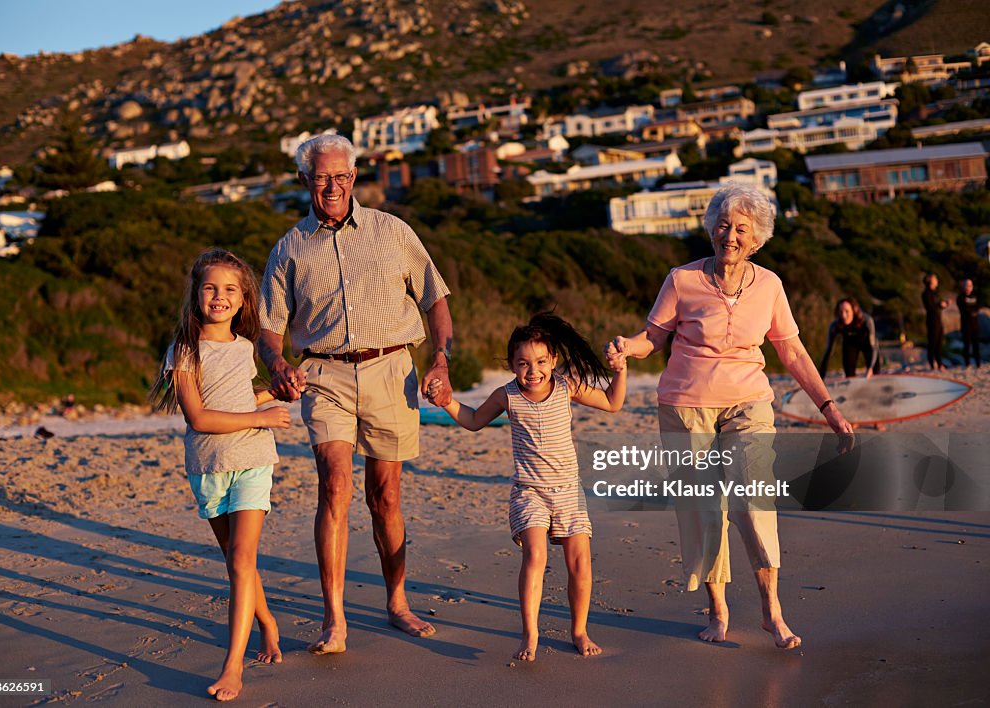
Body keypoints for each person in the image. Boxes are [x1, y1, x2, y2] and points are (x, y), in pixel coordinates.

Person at [606, 184, 853, 650]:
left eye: (742, 228)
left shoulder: (770, 286)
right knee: (704, 511)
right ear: (711, 229)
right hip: (684, 404)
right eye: (723, 225)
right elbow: (652, 338)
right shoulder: (682, 280)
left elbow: (793, 352)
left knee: (754, 502)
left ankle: (770, 611)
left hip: (748, 402)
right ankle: (718, 612)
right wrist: (626, 349)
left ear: (757, 239)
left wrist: (829, 407)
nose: (730, 235)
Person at [258, 134, 453, 654]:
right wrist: (276, 362)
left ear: (354, 177)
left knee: (385, 497)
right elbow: (269, 326)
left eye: (341, 176)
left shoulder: (393, 232)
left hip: (392, 371)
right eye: (322, 177)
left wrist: (441, 359)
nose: (333, 186)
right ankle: (334, 620)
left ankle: (397, 602)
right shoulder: (288, 249)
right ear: (305, 182)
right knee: (335, 487)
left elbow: (435, 296)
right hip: (324, 377)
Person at [428, 313, 627, 662]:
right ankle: (530, 634)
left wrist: (621, 371)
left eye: (539, 362)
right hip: (529, 491)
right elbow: (474, 420)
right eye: (522, 363)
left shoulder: (567, 386)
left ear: (552, 360)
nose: (532, 371)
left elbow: (613, 402)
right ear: (511, 365)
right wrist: (447, 402)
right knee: (535, 555)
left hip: (568, 490)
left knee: (580, 561)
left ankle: (579, 631)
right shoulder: (507, 395)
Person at [149, 248, 290, 701]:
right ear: (195, 293)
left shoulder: (246, 347)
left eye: (230, 289)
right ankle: (268, 621)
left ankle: (233, 667)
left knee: (240, 561)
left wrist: (277, 388)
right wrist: (263, 416)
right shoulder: (184, 351)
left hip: (252, 460)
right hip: (208, 467)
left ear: (244, 299)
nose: (219, 296)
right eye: (210, 287)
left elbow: (237, 396)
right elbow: (200, 418)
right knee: (237, 560)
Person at [818, 297, 881, 379]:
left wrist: (870, 368)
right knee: (849, 374)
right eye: (841, 312)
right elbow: (828, 352)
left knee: (874, 372)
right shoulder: (835, 325)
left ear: (854, 311)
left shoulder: (867, 320)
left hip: (868, 345)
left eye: (847, 311)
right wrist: (820, 378)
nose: (843, 316)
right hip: (850, 344)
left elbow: (873, 347)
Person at [922, 273, 948, 372]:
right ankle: (932, 364)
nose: (937, 280)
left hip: (938, 320)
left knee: (939, 343)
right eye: (935, 278)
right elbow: (930, 307)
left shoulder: (935, 293)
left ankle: (940, 363)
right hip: (932, 320)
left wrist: (944, 304)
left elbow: (937, 305)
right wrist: (939, 304)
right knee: (932, 343)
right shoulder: (926, 293)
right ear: (930, 281)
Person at [957, 278, 981, 368]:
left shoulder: (975, 296)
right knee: (967, 345)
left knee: (976, 344)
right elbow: (964, 310)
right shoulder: (960, 297)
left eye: (970, 285)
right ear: (963, 287)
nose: (968, 287)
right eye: (966, 285)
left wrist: (972, 311)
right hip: (966, 325)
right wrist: (971, 311)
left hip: (975, 325)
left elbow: (977, 308)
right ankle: (967, 363)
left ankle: (978, 363)